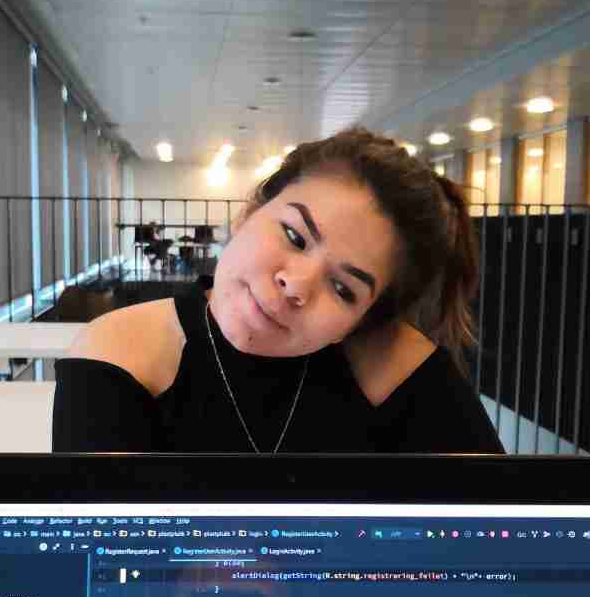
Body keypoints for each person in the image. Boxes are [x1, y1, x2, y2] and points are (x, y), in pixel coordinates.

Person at [52, 127, 504, 454]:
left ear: (359, 324)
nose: (297, 285)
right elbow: (105, 548)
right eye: (294, 236)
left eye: (343, 288)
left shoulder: (392, 368)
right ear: (248, 213)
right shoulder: (120, 352)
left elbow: (499, 534)